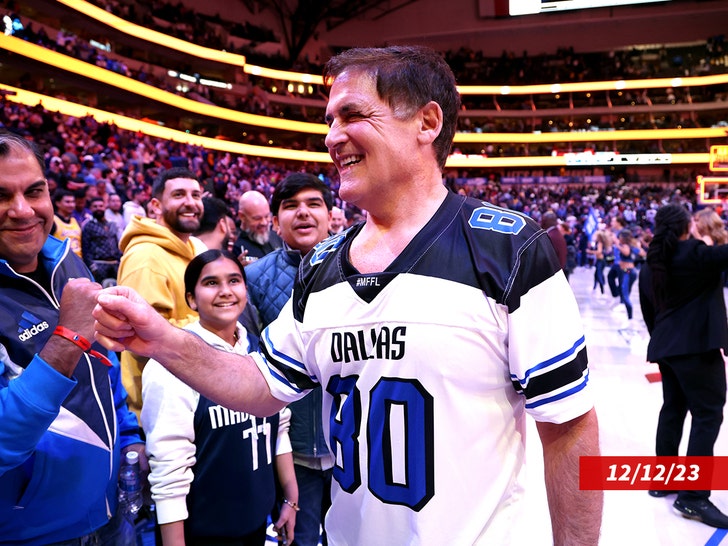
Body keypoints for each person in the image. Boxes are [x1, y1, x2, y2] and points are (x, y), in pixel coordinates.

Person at [93, 45, 602, 545]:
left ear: (427, 122)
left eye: (353, 115)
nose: (332, 137)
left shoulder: (510, 249)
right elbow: (263, 384)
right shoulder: (320, 266)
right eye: (330, 120)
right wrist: (163, 340)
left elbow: (570, 427)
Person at [0, 131, 144, 544]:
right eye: (1, 196)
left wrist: (129, 436)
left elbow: (102, 364)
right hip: (37, 534)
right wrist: (65, 340)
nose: (22, 210)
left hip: (112, 512)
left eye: (34, 191)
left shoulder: (68, 261)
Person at [142, 249, 298, 545]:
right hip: (201, 532)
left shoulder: (262, 349)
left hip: (255, 524)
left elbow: (279, 428)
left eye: (234, 280)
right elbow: (168, 471)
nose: (225, 291)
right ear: (191, 299)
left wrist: (291, 497)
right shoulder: (171, 363)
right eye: (211, 283)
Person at [245, 173, 335, 546]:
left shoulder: (361, 269)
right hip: (289, 453)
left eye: (314, 204)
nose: (303, 213)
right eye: (290, 205)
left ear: (330, 215)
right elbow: (250, 366)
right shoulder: (252, 278)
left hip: (350, 445)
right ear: (275, 221)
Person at [638, 203, 728, 528]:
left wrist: (666, 344)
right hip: (696, 348)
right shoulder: (692, 253)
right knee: (707, 415)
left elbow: (647, 309)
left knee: (673, 409)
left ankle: (664, 479)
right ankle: (693, 496)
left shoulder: (652, 262)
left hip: (666, 348)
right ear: (685, 227)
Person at [117, 167, 206, 418]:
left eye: (196, 195)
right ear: (156, 206)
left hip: (194, 398)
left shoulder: (194, 249)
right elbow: (146, 340)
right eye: (179, 195)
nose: (190, 202)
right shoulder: (145, 258)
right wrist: (216, 324)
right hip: (160, 409)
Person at [232, 190, 282, 263]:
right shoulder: (237, 249)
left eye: (267, 216)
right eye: (257, 218)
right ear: (242, 217)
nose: (264, 222)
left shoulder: (276, 237)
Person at [82, 196, 122, 284]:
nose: (98, 208)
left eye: (100, 206)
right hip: (99, 265)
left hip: (114, 264)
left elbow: (117, 244)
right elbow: (85, 248)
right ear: (90, 208)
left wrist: (119, 261)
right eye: (95, 206)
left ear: (105, 207)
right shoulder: (88, 225)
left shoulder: (112, 224)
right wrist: (91, 266)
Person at [52, 188, 83, 258]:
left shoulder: (75, 221)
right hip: (61, 260)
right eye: (67, 202)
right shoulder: (53, 221)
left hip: (78, 260)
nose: (71, 205)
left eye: (73, 202)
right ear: (58, 203)